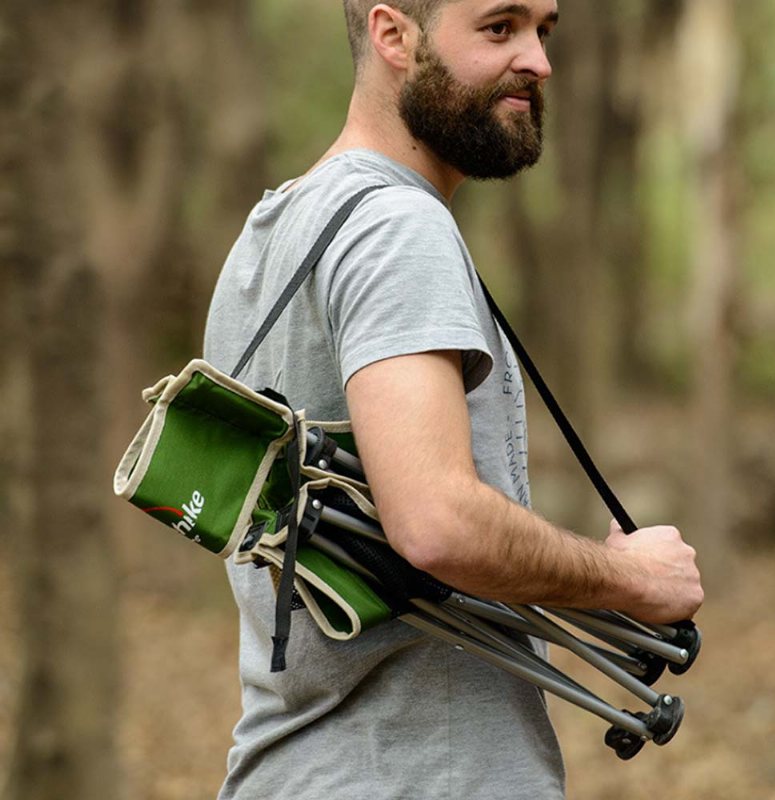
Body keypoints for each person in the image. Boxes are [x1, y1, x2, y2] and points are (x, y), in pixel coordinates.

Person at [203, 1, 704, 797]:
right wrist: (631, 582)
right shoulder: (399, 226)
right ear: (393, 35)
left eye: (544, 29)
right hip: (419, 776)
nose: (538, 61)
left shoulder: (274, 230)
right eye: (499, 28)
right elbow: (436, 521)